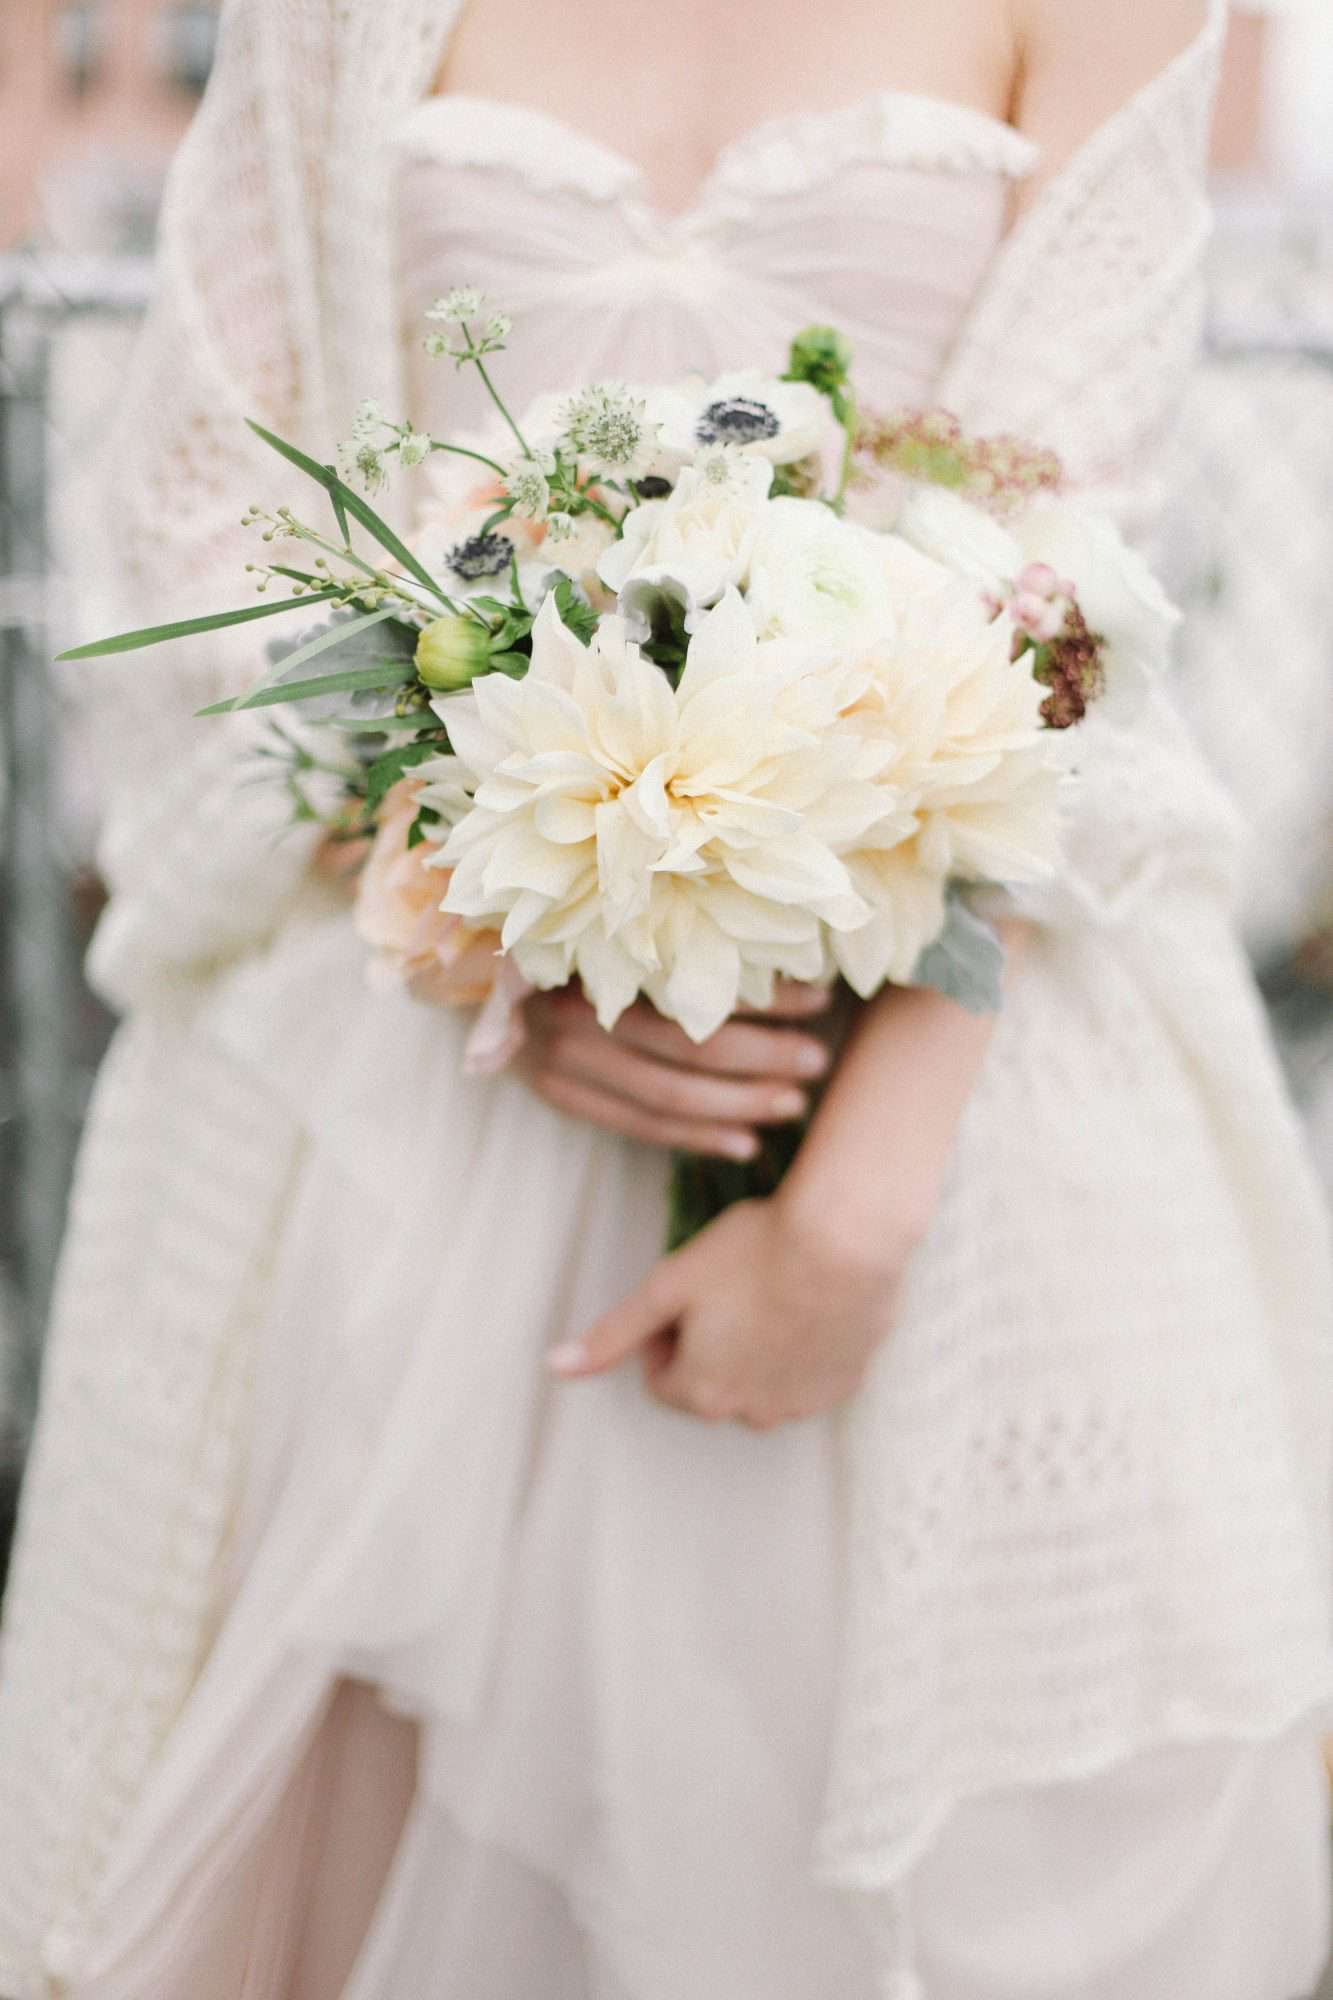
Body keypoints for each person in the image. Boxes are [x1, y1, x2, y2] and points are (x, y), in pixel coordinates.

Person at [2, 0, 1331, 1994]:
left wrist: (858, 1209)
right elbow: (214, 511)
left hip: (941, 1098)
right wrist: (489, 910)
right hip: (408, 1105)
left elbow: (1076, 571)